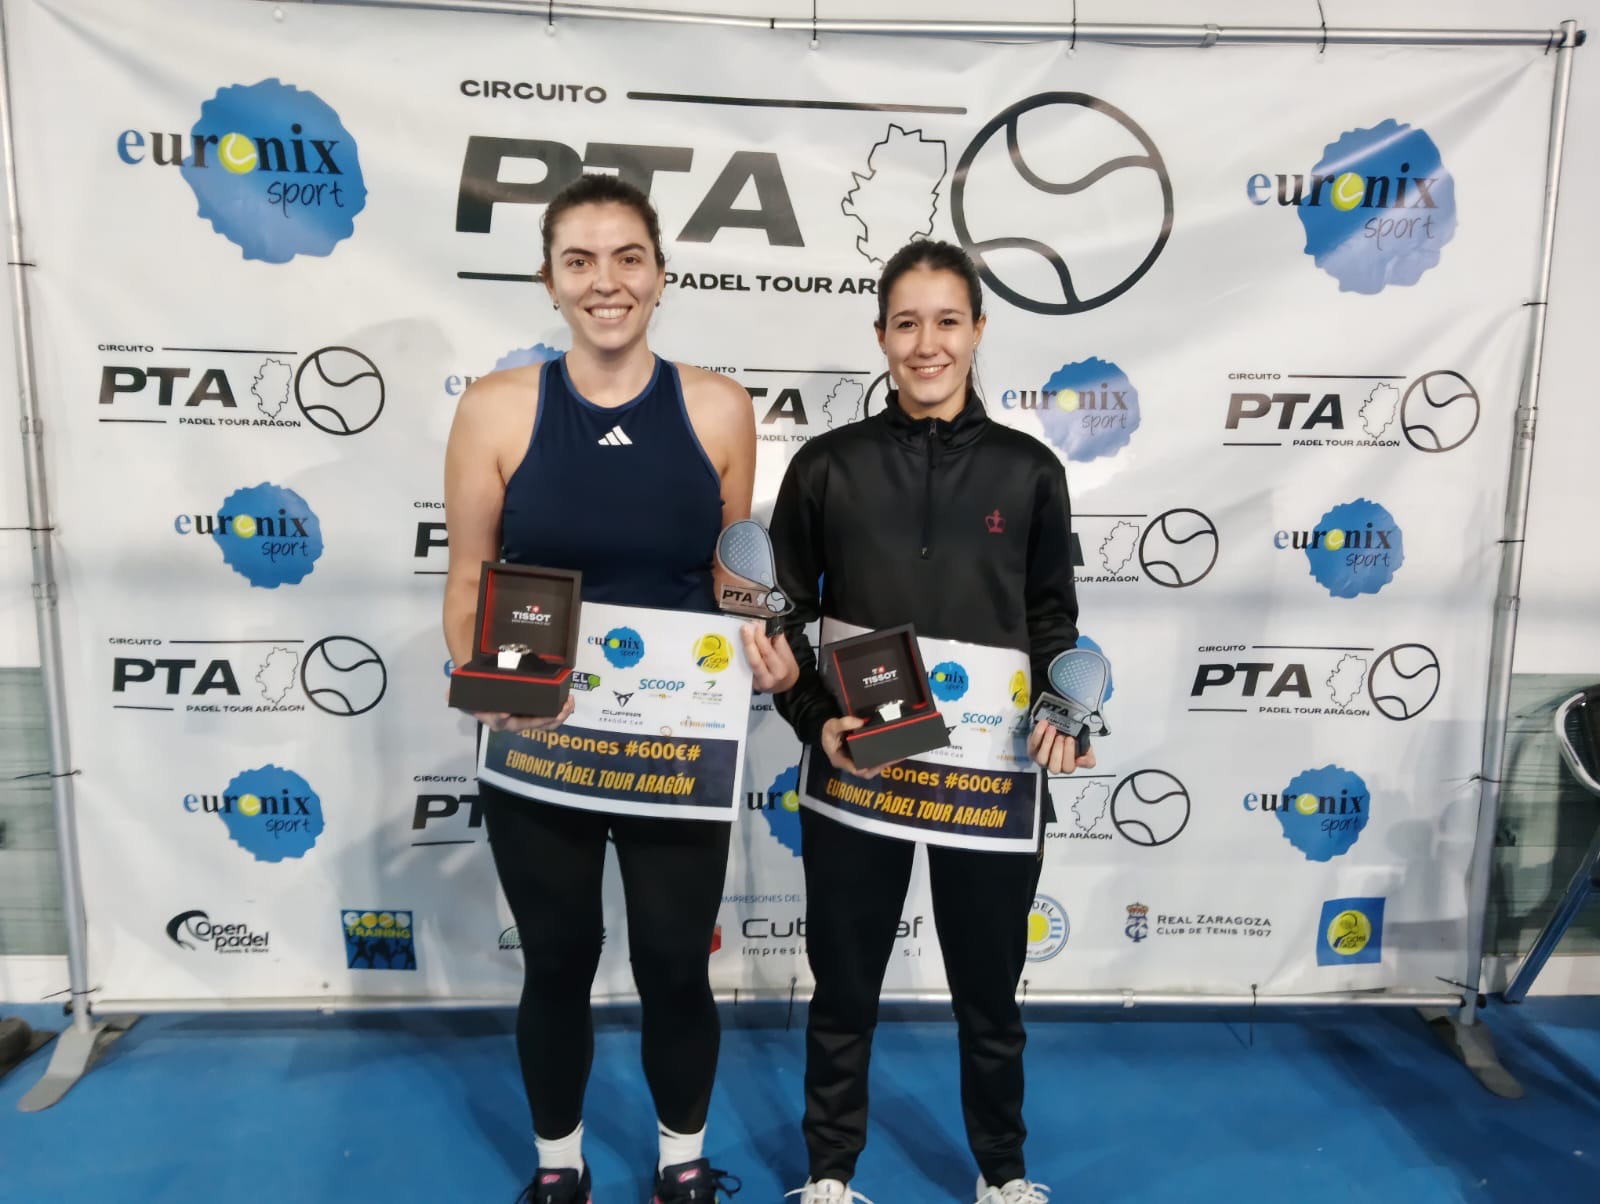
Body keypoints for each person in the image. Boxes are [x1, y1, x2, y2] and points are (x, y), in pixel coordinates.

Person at [443, 173, 796, 1204]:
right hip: (540, 741)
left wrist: (766, 634)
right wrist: (485, 680)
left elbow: (732, 579)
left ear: (661, 275)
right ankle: (560, 1167)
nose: (606, 282)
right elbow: (467, 581)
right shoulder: (496, 408)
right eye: (581, 260)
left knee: (675, 963)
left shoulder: (719, 406)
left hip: (675, 746)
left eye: (627, 258)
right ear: (549, 280)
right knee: (556, 960)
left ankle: (681, 1160)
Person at [768, 240, 1094, 1204]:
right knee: (844, 986)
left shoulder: (1030, 471)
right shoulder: (825, 467)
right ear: (880, 335)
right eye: (906, 323)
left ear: (978, 330)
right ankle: (830, 1174)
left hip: (988, 777)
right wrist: (816, 722)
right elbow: (781, 621)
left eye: (947, 321)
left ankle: (1003, 1174)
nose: (927, 343)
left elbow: (1052, 623)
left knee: (989, 993)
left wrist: (1065, 711)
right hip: (858, 771)